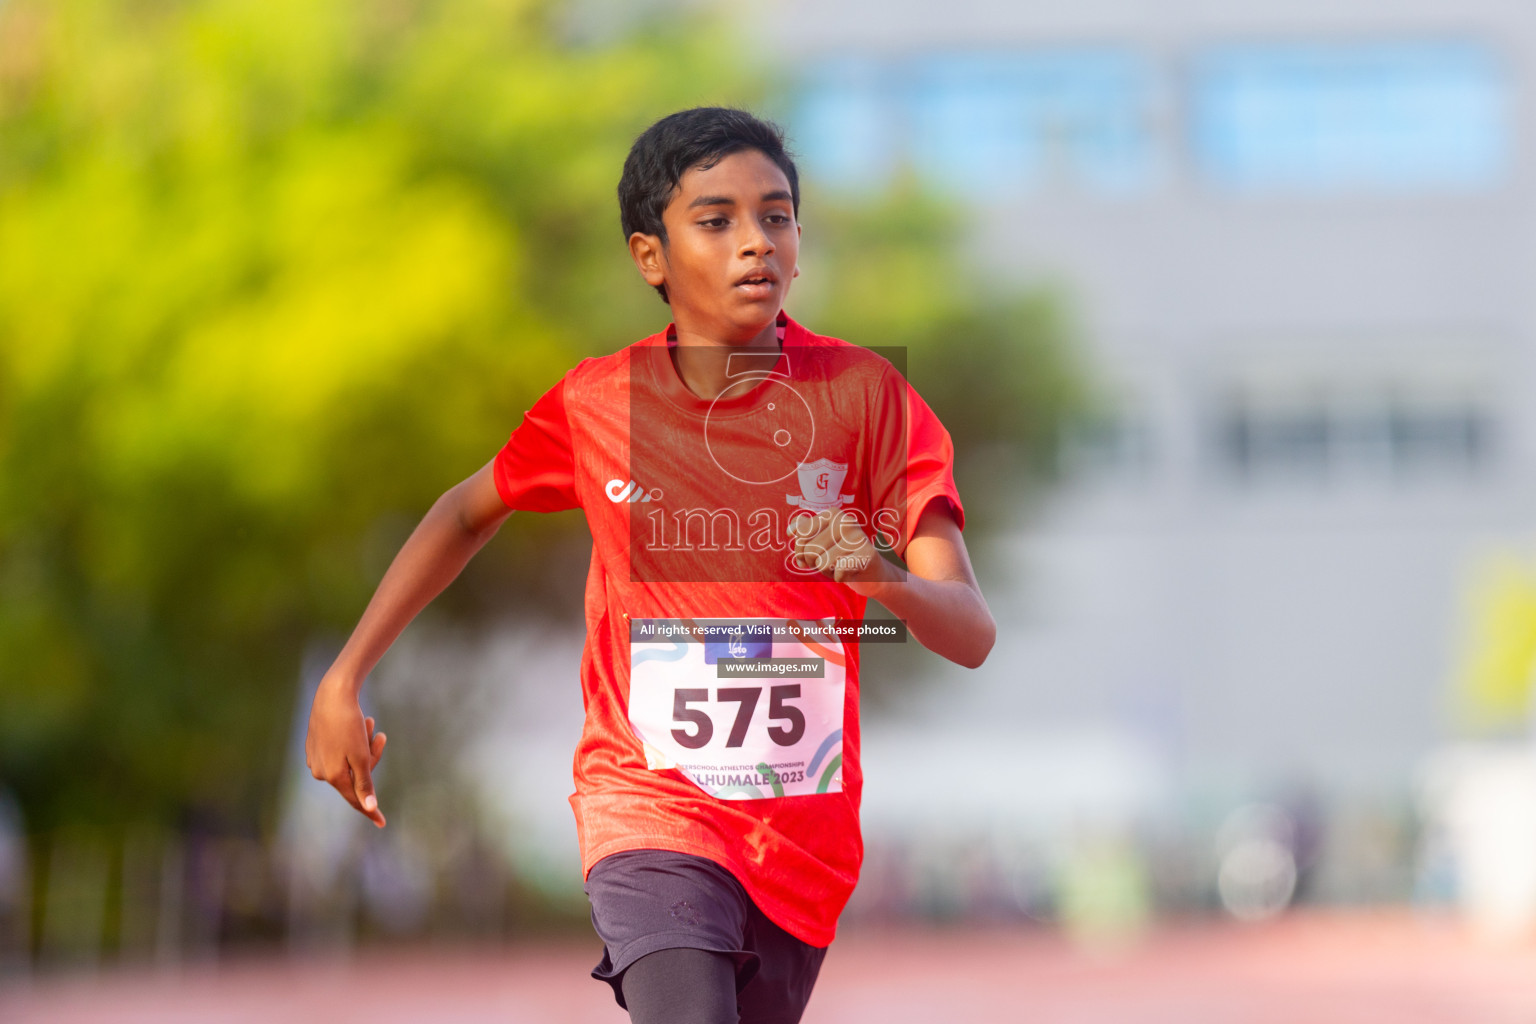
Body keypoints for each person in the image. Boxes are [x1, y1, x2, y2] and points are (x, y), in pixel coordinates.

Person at [305, 107, 995, 1024]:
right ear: (650, 257)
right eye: (716, 221)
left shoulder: (869, 401)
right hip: (646, 807)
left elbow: (971, 632)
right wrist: (344, 677)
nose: (756, 243)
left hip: (799, 847)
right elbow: (465, 512)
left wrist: (878, 575)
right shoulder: (600, 402)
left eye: (778, 216)